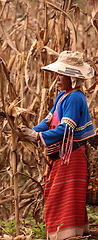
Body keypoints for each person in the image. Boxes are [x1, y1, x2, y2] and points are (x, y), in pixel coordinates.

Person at [20, 51, 96, 240]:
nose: (57, 78)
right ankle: (70, 234)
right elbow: (47, 121)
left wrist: (37, 136)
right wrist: (26, 131)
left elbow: (65, 129)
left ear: (71, 77)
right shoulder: (63, 96)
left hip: (72, 156)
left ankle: (68, 236)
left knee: (63, 198)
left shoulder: (75, 98)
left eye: (61, 75)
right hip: (63, 156)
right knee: (59, 196)